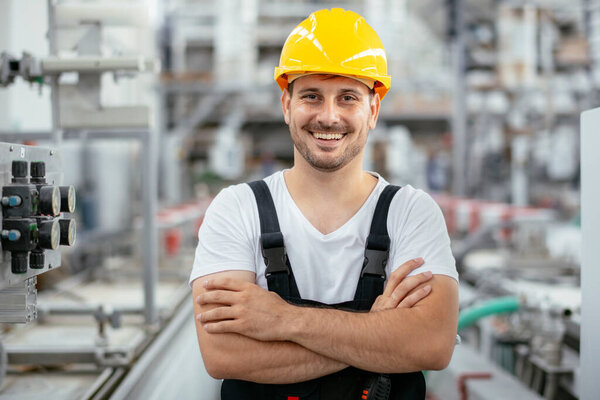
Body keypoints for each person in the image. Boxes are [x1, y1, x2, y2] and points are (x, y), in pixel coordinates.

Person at [190, 8, 459, 400]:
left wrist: (282, 320)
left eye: (347, 97)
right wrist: (376, 332)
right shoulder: (236, 209)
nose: (328, 116)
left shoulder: (412, 213)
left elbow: (432, 345)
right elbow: (223, 354)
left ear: (373, 110)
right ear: (286, 105)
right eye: (311, 96)